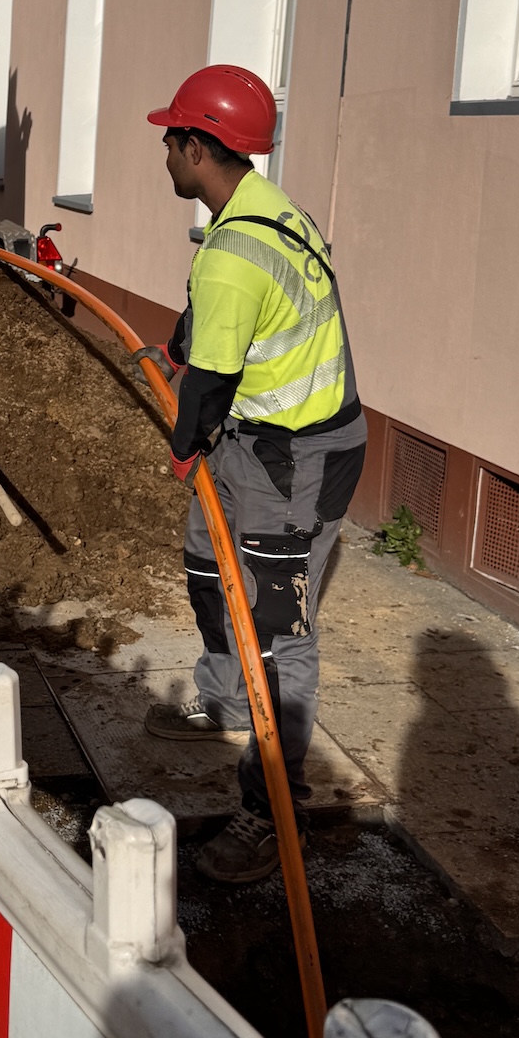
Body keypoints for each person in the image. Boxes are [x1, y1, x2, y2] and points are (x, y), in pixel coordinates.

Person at [145, 64, 365, 885]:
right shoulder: (264, 211)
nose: (166, 151)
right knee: (209, 565)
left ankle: (272, 812)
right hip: (253, 437)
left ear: (199, 149)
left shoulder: (233, 252)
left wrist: (183, 442)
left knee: (279, 633)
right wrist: (177, 345)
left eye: (173, 139)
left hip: (298, 460)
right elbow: (213, 323)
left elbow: (207, 380)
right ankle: (226, 700)